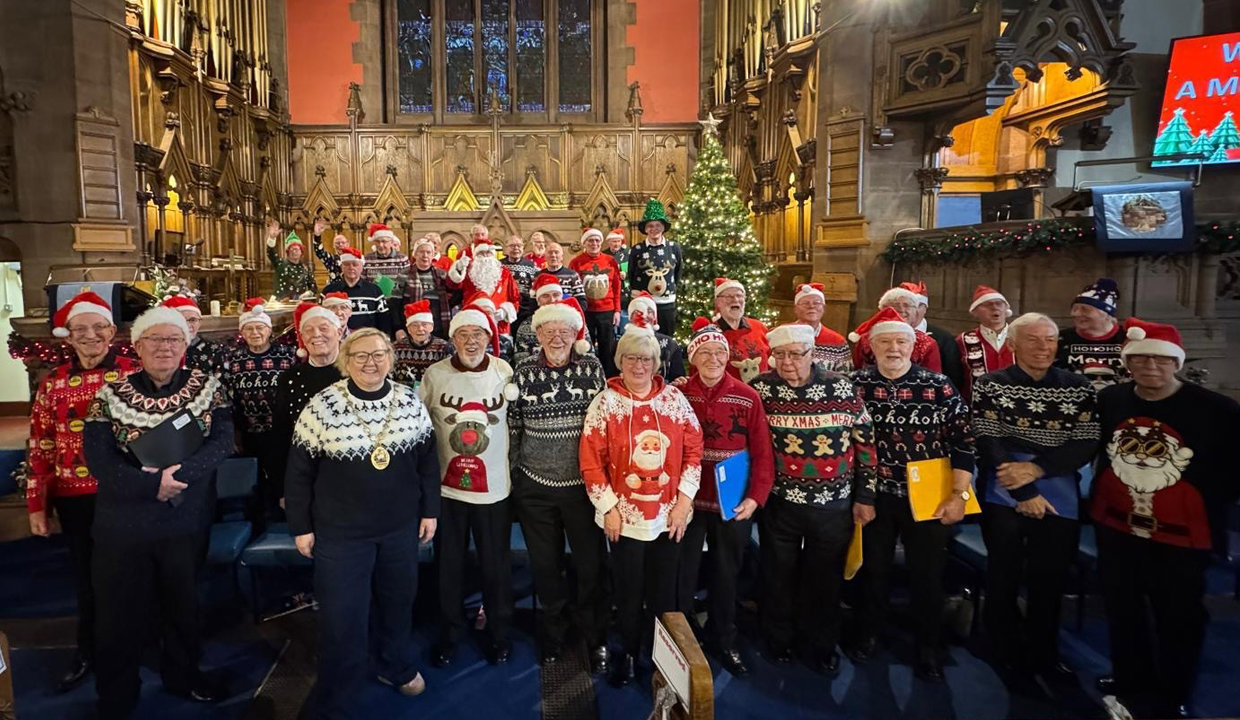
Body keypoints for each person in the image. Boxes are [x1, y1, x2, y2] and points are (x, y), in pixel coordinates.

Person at [82, 306, 234, 718]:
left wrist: (177, 476)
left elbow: (222, 441)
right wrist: (152, 485)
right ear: (137, 345)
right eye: (155, 339)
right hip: (123, 523)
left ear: (185, 345)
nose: (165, 347)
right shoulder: (110, 394)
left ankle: (184, 677)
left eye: (173, 339)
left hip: (184, 518)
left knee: (183, 606)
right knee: (118, 613)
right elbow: (98, 459)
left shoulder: (208, 387)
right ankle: (117, 693)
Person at [286, 328, 441, 717]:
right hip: (341, 533)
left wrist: (430, 510)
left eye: (379, 354)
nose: (371, 363)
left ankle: (396, 666)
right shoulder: (321, 406)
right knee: (343, 615)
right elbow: (299, 472)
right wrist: (301, 526)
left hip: (399, 527)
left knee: (398, 603)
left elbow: (427, 461)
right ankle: (339, 689)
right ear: (346, 360)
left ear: (391, 357)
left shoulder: (409, 400)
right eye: (361, 356)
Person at [1091, 318, 1240, 718]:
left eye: (1160, 360)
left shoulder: (1217, 409)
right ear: (1128, 363)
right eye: (1141, 360)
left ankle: (1174, 691)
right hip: (1117, 527)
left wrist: (1206, 500)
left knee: (1179, 615)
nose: (1150, 367)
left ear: (1176, 363)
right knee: (1123, 608)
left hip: (1183, 536)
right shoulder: (1112, 400)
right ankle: (1129, 677)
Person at [849, 308, 974, 682]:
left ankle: (928, 648)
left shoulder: (938, 386)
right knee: (874, 570)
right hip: (874, 494)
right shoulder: (854, 384)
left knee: (928, 575)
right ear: (872, 348)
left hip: (929, 496)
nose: (893, 348)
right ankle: (869, 634)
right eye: (885, 342)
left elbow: (964, 442)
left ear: (913, 346)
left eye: (901, 341)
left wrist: (959, 496)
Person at [971, 312, 1099, 678]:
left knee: (1050, 576)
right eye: (1033, 339)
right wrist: (1024, 490)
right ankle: (1003, 645)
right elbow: (988, 438)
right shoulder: (991, 384)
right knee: (1004, 572)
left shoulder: (1078, 386)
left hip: (1058, 484)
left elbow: (1086, 440)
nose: (1043, 347)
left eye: (1050, 339)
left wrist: (1038, 470)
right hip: (1003, 487)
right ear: (1013, 344)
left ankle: (1044, 651)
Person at [580, 316, 703, 686]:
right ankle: (630, 653)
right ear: (620, 361)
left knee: (663, 593)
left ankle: (661, 658)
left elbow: (694, 450)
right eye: (631, 358)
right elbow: (591, 460)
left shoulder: (675, 400)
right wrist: (608, 509)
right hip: (624, 519)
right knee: (628, 591)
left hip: (669, 517)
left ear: (656, 363)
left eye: (646, 359)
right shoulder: (605, 403)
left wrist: (684, 502)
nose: (639, 366)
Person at [27, 292, 139, 694]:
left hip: (126, 495)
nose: (90, 336)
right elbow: (40, 444)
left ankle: (136, 648)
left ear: (112, 331)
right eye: (80, 329)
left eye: (98, 327)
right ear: (68, 336)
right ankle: (89, 651)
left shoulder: (133, 373)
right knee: (87, 580)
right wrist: (37, 505)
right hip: (74, 498)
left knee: (132, 575)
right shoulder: (53, 382)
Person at [750, 323, 876, 675]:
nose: (787, 362)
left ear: (812, 353)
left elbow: (865, 444)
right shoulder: (761, 388)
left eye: (795, 354)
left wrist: (866, 496)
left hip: (833, 503)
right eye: (780, 355)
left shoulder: (841, 386)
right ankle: (778, 639)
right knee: (778, 574)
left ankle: (821, 644)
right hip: (781, 502)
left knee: (825, 578)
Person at [508, 297, 608, 671]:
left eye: (564, 331)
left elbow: (603, 425)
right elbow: (514, 426)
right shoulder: (522, 372)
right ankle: (553, 635)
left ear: (575, 334)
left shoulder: (592, 368)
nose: (557, 337)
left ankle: (594, 636)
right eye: (549, 331)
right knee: (545, 567)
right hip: (535, 488)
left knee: (590, 565)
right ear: (537, 335)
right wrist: (515, 476)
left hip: (583, 487)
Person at [673, 318, 773, 677]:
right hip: (687, 503)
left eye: (720, 352)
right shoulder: (679, 394)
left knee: (726, 572)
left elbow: (762, 452)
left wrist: (756, 497)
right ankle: (682, 640)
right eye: (705, 353)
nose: (713, 358)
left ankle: (724, 637)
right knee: (682, 573)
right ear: (693, 359)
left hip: (732, 502)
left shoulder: (747, 396)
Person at [419, 303, 517, 667]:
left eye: (478, 334)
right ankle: (449, 634)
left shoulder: (504, 371)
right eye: (463, 334)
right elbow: (420, 426)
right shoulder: (435, 375)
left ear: (489, 338)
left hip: (494, 491)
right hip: (447, 492)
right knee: (449, 567)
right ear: (453, 339)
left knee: (496, 567)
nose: (471, 341)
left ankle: (499, 634)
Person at [225, 299, 297, 526]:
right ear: (242, 332)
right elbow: (229, 397)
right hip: (249, 431)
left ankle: (284, 521)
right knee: (255, 479)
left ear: (269, 330)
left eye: (260, 328)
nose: (255, 333)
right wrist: (235, 431)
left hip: (282, 431)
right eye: (249, 328)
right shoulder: (233, 359)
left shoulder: (287, 355)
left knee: (282, 476)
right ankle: (258, 522)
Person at [271, 303, 346, 503]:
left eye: (323, 328)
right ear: (302, 337)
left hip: (351, 477)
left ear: (339, 332)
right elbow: (280, 435)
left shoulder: (357, 374)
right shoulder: (289, 379)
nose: (316, 335)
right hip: (305, 477)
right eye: (309, 330)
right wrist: (282, 488)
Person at [1055, 277, 1128, 388]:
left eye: (1085, 310)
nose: (1076, 314)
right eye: (1074, 309)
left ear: (1106, 314)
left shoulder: (1128, 338)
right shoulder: (1060, 339)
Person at [849, 285, 941, 372]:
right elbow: (856, 370)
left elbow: (935, 377)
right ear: (883, 310)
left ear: (915, 312)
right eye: (895, 305)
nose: (901, 309)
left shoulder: (927, 343)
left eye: (907, 305)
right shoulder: (865, 340)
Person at [569, 228, 623, 376]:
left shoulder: (610, 261)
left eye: (597, 240)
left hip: (607, 311)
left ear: (601, 242)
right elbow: (572, 288)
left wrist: (617, 310)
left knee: (608, 347)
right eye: (590, 240)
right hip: (586, 312)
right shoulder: (576, 262)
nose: (594, 243)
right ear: (584, 243)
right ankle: (588, 375)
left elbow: (616, 287)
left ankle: (608, 377)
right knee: (586, 346)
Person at [627, 199, 683, 335]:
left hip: (667, 303)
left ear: (664, 227)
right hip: (643, 303)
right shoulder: (637, 249)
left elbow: (678, 272)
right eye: (650, 226)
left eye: (658, 225)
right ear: (645, 229)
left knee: (666, 339)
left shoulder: (674, 248)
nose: (654, 229)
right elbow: (631, 274)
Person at [898, 281, 965, 390]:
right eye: (907, 305)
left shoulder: (943, 339)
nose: (911, 310)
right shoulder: (883, 335)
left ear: (925, 308)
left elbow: (954, 380)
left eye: (918, 305)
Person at [446, 233, 521, 330]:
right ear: (475, 255)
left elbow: (515, 299)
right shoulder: (468, 271)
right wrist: (459, 269)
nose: (485, 256)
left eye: (488, 253)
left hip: (499, 325)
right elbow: (452, 286)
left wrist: (505, 311)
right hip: (472, 322)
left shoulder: (505, 273)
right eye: (481, 253)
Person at [956, 285, 1015, 402]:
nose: (994, 307)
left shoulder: (1022, 337)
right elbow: (956, 377)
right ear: (975, 312)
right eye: (987, 304)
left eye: (999, 303)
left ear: (1006, 309)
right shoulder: (963, 340)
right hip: (977, 405)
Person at [712, 277, 770, 383]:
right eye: (728, 296)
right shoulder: (711, 333)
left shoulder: (759, 327)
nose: (735, 300)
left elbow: (772, 361)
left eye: (739, 296)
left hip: (763, 391)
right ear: (718, 302)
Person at [323, 246, 391, 335]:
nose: (351, 267)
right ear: (341, 267)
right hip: (337, 338)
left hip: (367, 338)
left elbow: (384, 320)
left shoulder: (374, 291)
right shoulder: (329, 291)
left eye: (355, 264)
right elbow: (321, 318)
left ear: (362, 267)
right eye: (347, 264)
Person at [406, 235, 456, 339]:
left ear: (433, 255)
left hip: (438, 325)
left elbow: (454, 294)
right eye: (421, 252)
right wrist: (398, 328)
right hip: (412, 324)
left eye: (428, 252)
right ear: (415, 254)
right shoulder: (404, 275)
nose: (425, 255)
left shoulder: (441, 274)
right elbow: (395, 303)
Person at [792, 282, 850, 372]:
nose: (811, 306)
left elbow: (845, 377)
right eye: (805, 303)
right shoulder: (781, 335)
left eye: (816, 303)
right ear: (795, 309)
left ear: (823, 308)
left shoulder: (838, 342)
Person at [160, 295, 227, 375]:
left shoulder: (213, 350)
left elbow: (222, 379)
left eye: (193, 320)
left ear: (199, 323)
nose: (187, 325)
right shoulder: (158, 351)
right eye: (181, 320)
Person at [392, 300, 451, 388]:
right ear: (408, 329)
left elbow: (449, 379)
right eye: (415, 325)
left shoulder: (444, 348)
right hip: (403, 393)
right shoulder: (396, 348)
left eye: (424, 324)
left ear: (432, 327)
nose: (420, 329)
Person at [628, 293, 685, 383]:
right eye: (638, 311)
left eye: (649, 311)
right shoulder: (620, 346)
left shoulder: (670, 345)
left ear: (654, 317)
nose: (644, 315)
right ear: (630, 317)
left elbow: (678, 378)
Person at [515, 274, 565, 363]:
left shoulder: (574, 321)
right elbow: (521, 361)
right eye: (545, 296)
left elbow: (586, 356)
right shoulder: (527, 326)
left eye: (556, 295)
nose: (552, 300)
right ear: (538, 301)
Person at [266, 220, 318, 299]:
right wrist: (272, 238)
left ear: (301, 252)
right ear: (288, 252)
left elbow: (313, 287)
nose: (294, 252)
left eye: (296, 249)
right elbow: (271, 253)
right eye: (291, 249)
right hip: (281, 302)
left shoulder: (306, 268)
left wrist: (308, 293)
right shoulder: (280, 264)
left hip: (300, 302)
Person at [363, 223, 410, 300]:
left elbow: (407, 283)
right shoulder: (367, 259)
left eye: (384, 241)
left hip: (395, 300)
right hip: (374, 299)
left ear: (391, 242)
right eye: (377, 242)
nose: (381, 245)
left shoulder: (402, 259)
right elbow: (363, 282)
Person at [501, 234, 539, 324]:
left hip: (525, 309)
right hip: (504, 308)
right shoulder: (499, 265)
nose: (516, 248)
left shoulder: (531, 266)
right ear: (506, 248)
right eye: (512, 246)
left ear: (523, 247)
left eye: (519, 245)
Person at [538, 242, 588, 310]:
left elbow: (582, 301)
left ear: (562, 256)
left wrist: (571, 313)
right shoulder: (538, 276)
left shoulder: (573, 275)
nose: (553, 255)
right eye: (550, 252)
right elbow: (533, 302)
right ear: (545, 256)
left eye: (556, 252)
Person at [310, 217, 348, 285]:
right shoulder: (332, 259)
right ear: (333, 246)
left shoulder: (355, 258)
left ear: (348, 244)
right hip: (335, 289)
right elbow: (319, 252)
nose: (340, 245)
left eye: (343, 242)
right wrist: (317, 235)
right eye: (337, 243)